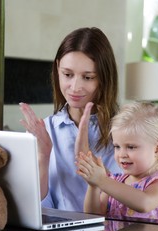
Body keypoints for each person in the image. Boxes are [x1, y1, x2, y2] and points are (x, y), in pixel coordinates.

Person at [19, 27, 120, 211]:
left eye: (87, 77)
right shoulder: (45, 130)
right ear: (58, 69)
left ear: (104, 79)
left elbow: (133, 201)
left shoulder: (124, 131)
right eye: (67, 75)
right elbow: (35, 208)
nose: (75, 87)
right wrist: (43, 156)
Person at [76, 101, 158, 220]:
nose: (121, 154)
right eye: (117, 146)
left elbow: (144, 203)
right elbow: (94, 216)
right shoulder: (115, 181)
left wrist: (101, 180)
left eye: (131, 147)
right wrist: (94, 186)